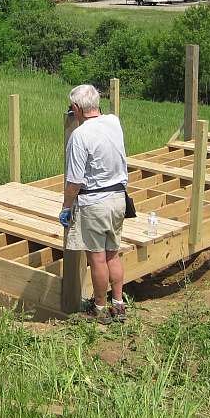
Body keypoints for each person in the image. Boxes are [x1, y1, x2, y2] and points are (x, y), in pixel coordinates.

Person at [59, 84, 128, 324]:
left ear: (76, 108)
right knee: (113, 255)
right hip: (119, 198)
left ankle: (99, 307)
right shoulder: (113, 122)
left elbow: (74, 181)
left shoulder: (80, 136)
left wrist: (66, 207)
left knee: (97, 258)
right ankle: (118, 303)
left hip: (94, 201)